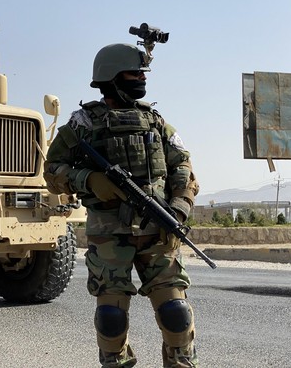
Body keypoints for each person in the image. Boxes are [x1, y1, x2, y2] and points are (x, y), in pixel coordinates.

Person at [43, 43, 200, 367]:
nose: (141, 79)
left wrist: (180, 208)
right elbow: (52, 169)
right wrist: (88, 180)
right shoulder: (82, 124)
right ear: (111, 78)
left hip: (159, 229)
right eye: (135, 73)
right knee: (111, 317)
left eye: (143, 73)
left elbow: (182, 166)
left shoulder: (155, 122)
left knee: (176, 314)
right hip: (109, 234)